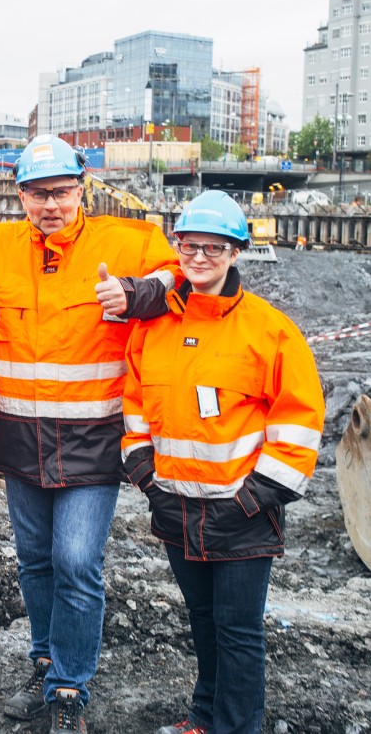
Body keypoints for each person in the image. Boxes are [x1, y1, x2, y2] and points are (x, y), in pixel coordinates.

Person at [0, 134, 180, 733]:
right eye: (38, 194)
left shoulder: (126, 242)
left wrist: (138, 295)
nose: (51, 205)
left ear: (81, 188)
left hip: (93, 441)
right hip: (21, 441)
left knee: (75, 561)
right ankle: (45, 657)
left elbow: (179, 276)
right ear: (21, 195)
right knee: (36, 561)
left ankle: (69, 685)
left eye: (61, 192)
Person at [122, 191, 324, 734]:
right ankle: (205, 718)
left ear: (236, 251)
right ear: (178, 248)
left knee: (238, 631)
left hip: (242, 512)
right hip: (176, 508)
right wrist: (146, 475)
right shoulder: (154, 328)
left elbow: (300, 425)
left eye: (214, 247)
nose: (200, 257)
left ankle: (237, 726)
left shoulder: (270, 331)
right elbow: (137, 406)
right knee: (204, 624)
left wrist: (256, 497)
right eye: (190, 246)